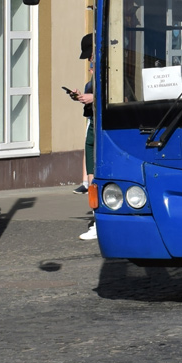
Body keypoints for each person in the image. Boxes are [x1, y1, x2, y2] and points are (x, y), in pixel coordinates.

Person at [72, 35, 97, 242]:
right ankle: (97, 220)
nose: (89, 60)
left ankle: (99, 222)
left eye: (90, 55)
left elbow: (120, 95)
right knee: (91, 178)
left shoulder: (109, 65)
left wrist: (93, 97)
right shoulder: (95, 69)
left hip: (101, 128)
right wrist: (82, 97)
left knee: (96, 177)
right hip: (93, 126)